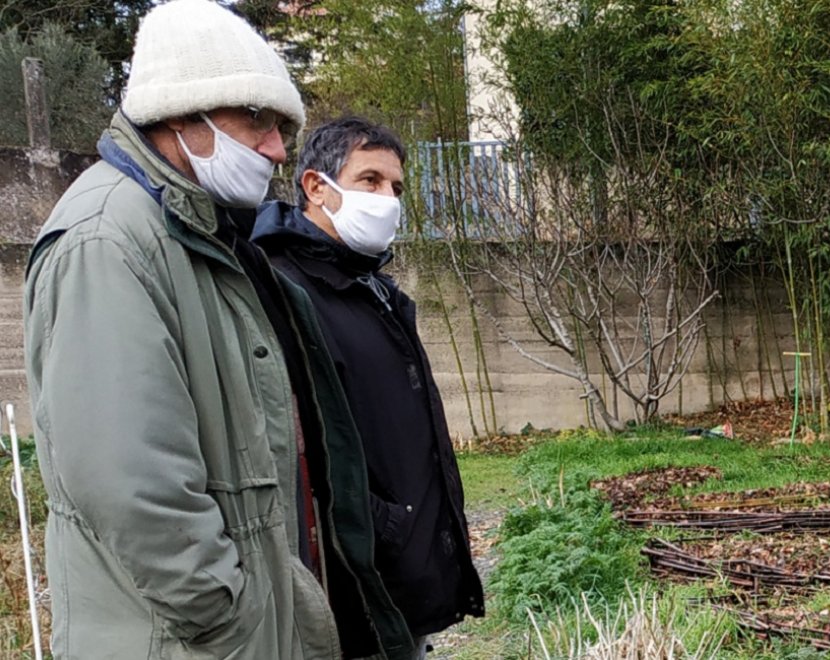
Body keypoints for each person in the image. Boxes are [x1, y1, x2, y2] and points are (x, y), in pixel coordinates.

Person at [24, 1, 415, 657]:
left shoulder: (199, 233)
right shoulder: (108, 240)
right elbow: (131, 484)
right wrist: (225, 617)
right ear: (182, 112)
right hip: (189, 640)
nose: (277, 147)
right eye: (257, 120)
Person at [254, 117, 486, 658]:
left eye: (396, 188)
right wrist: (385, 523)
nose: (388, 199)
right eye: (370, 181)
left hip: (399, 580)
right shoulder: (283, 289)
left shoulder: (372, 289)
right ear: (316, 187)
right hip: (352, 591)